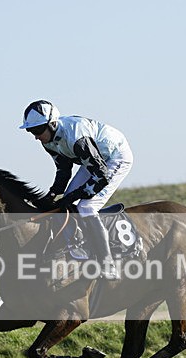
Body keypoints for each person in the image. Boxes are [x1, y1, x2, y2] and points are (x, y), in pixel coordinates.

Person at [20, 100, 132, 279]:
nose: (36, 136)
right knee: (67, 204)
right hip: (94, 161)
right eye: (31, 131)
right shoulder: (47, 141)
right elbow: (63, 170)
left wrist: (73, 195)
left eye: (38, 130)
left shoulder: (77, 138)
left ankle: (108, 264)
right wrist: (52, 195)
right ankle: (82, 245)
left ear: (52, 124)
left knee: (86, 207)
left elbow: (101, 176)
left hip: (115, 157)